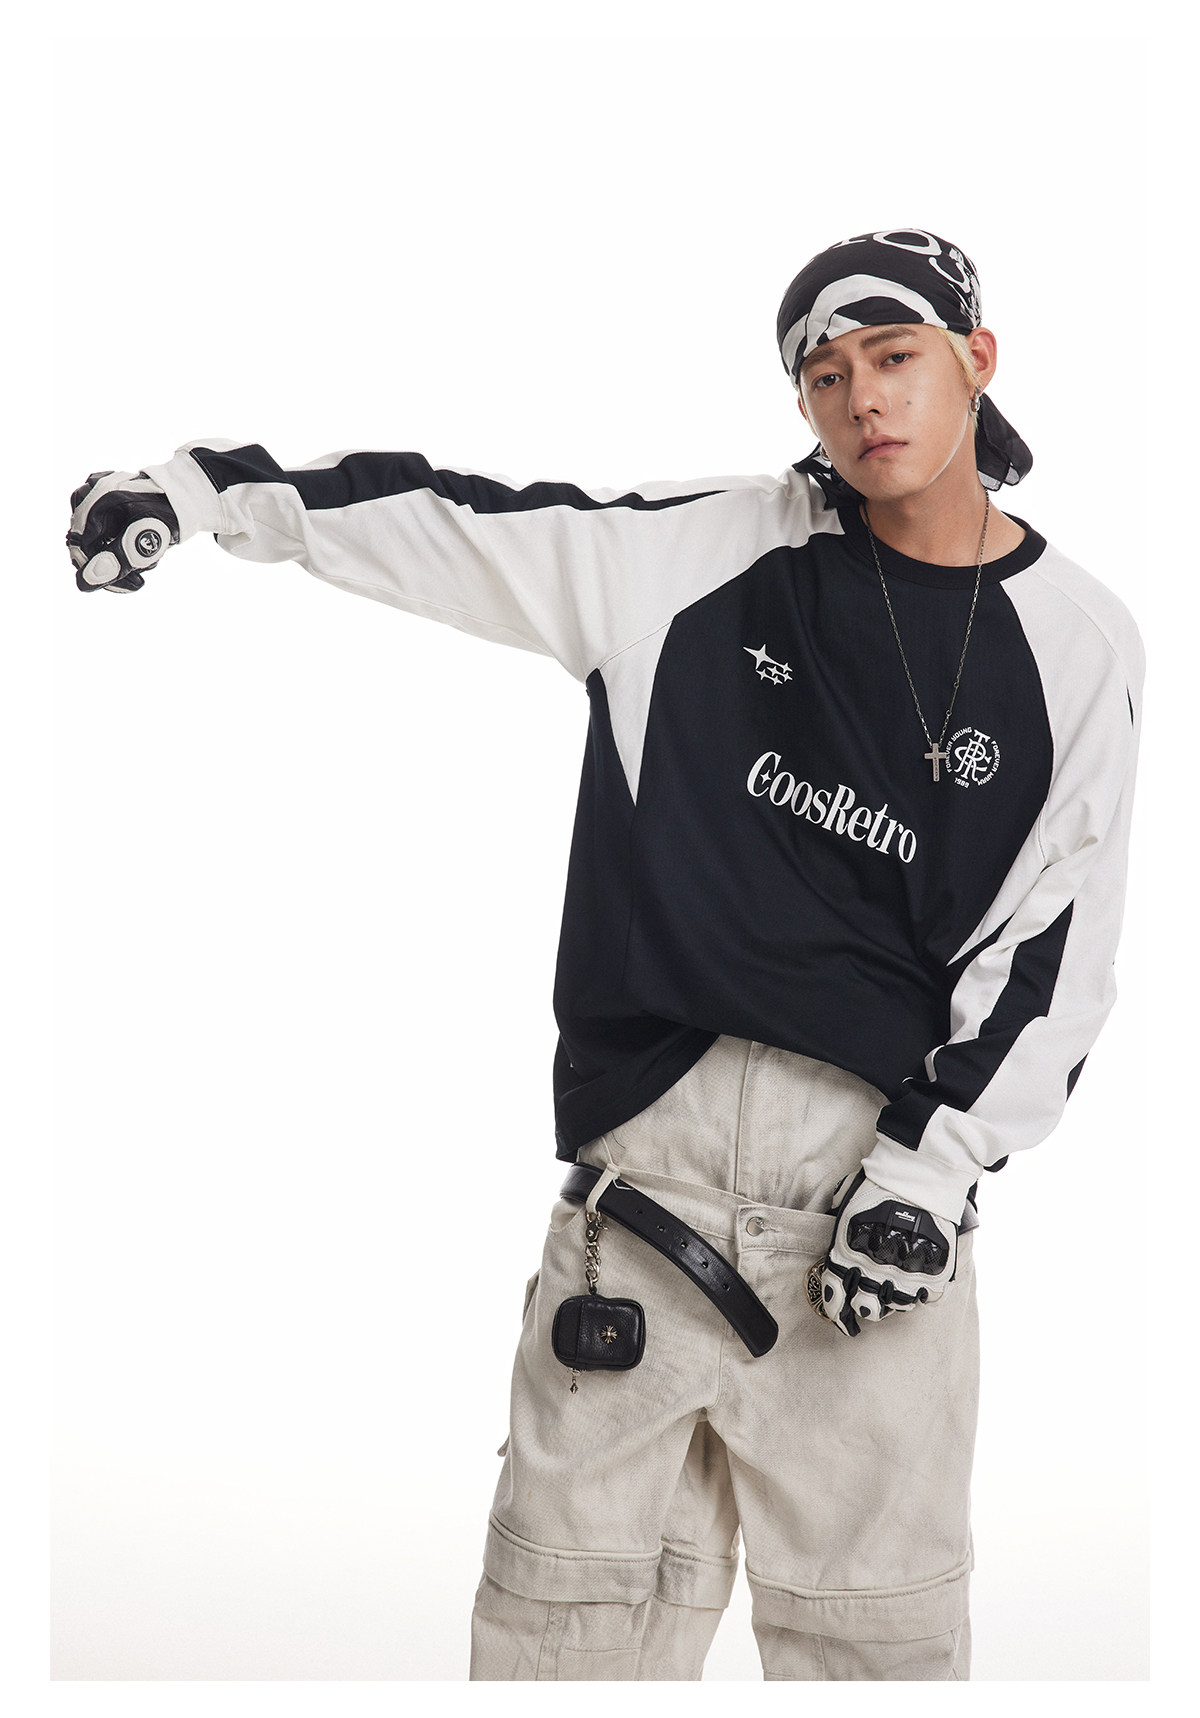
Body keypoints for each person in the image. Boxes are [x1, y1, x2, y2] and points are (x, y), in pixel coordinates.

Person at [66, 228, 1143, 1681]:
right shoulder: (702, 555)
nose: (863, 399)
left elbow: (1055, 949)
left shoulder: (1080, 643)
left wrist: (927, 1178)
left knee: (877, 1651)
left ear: (975, 363)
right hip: (646, 1206)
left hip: (873, 1214)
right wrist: (206, 494)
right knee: (561, 1641)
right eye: (825, 376)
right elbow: (463, 521)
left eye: (894, 357)